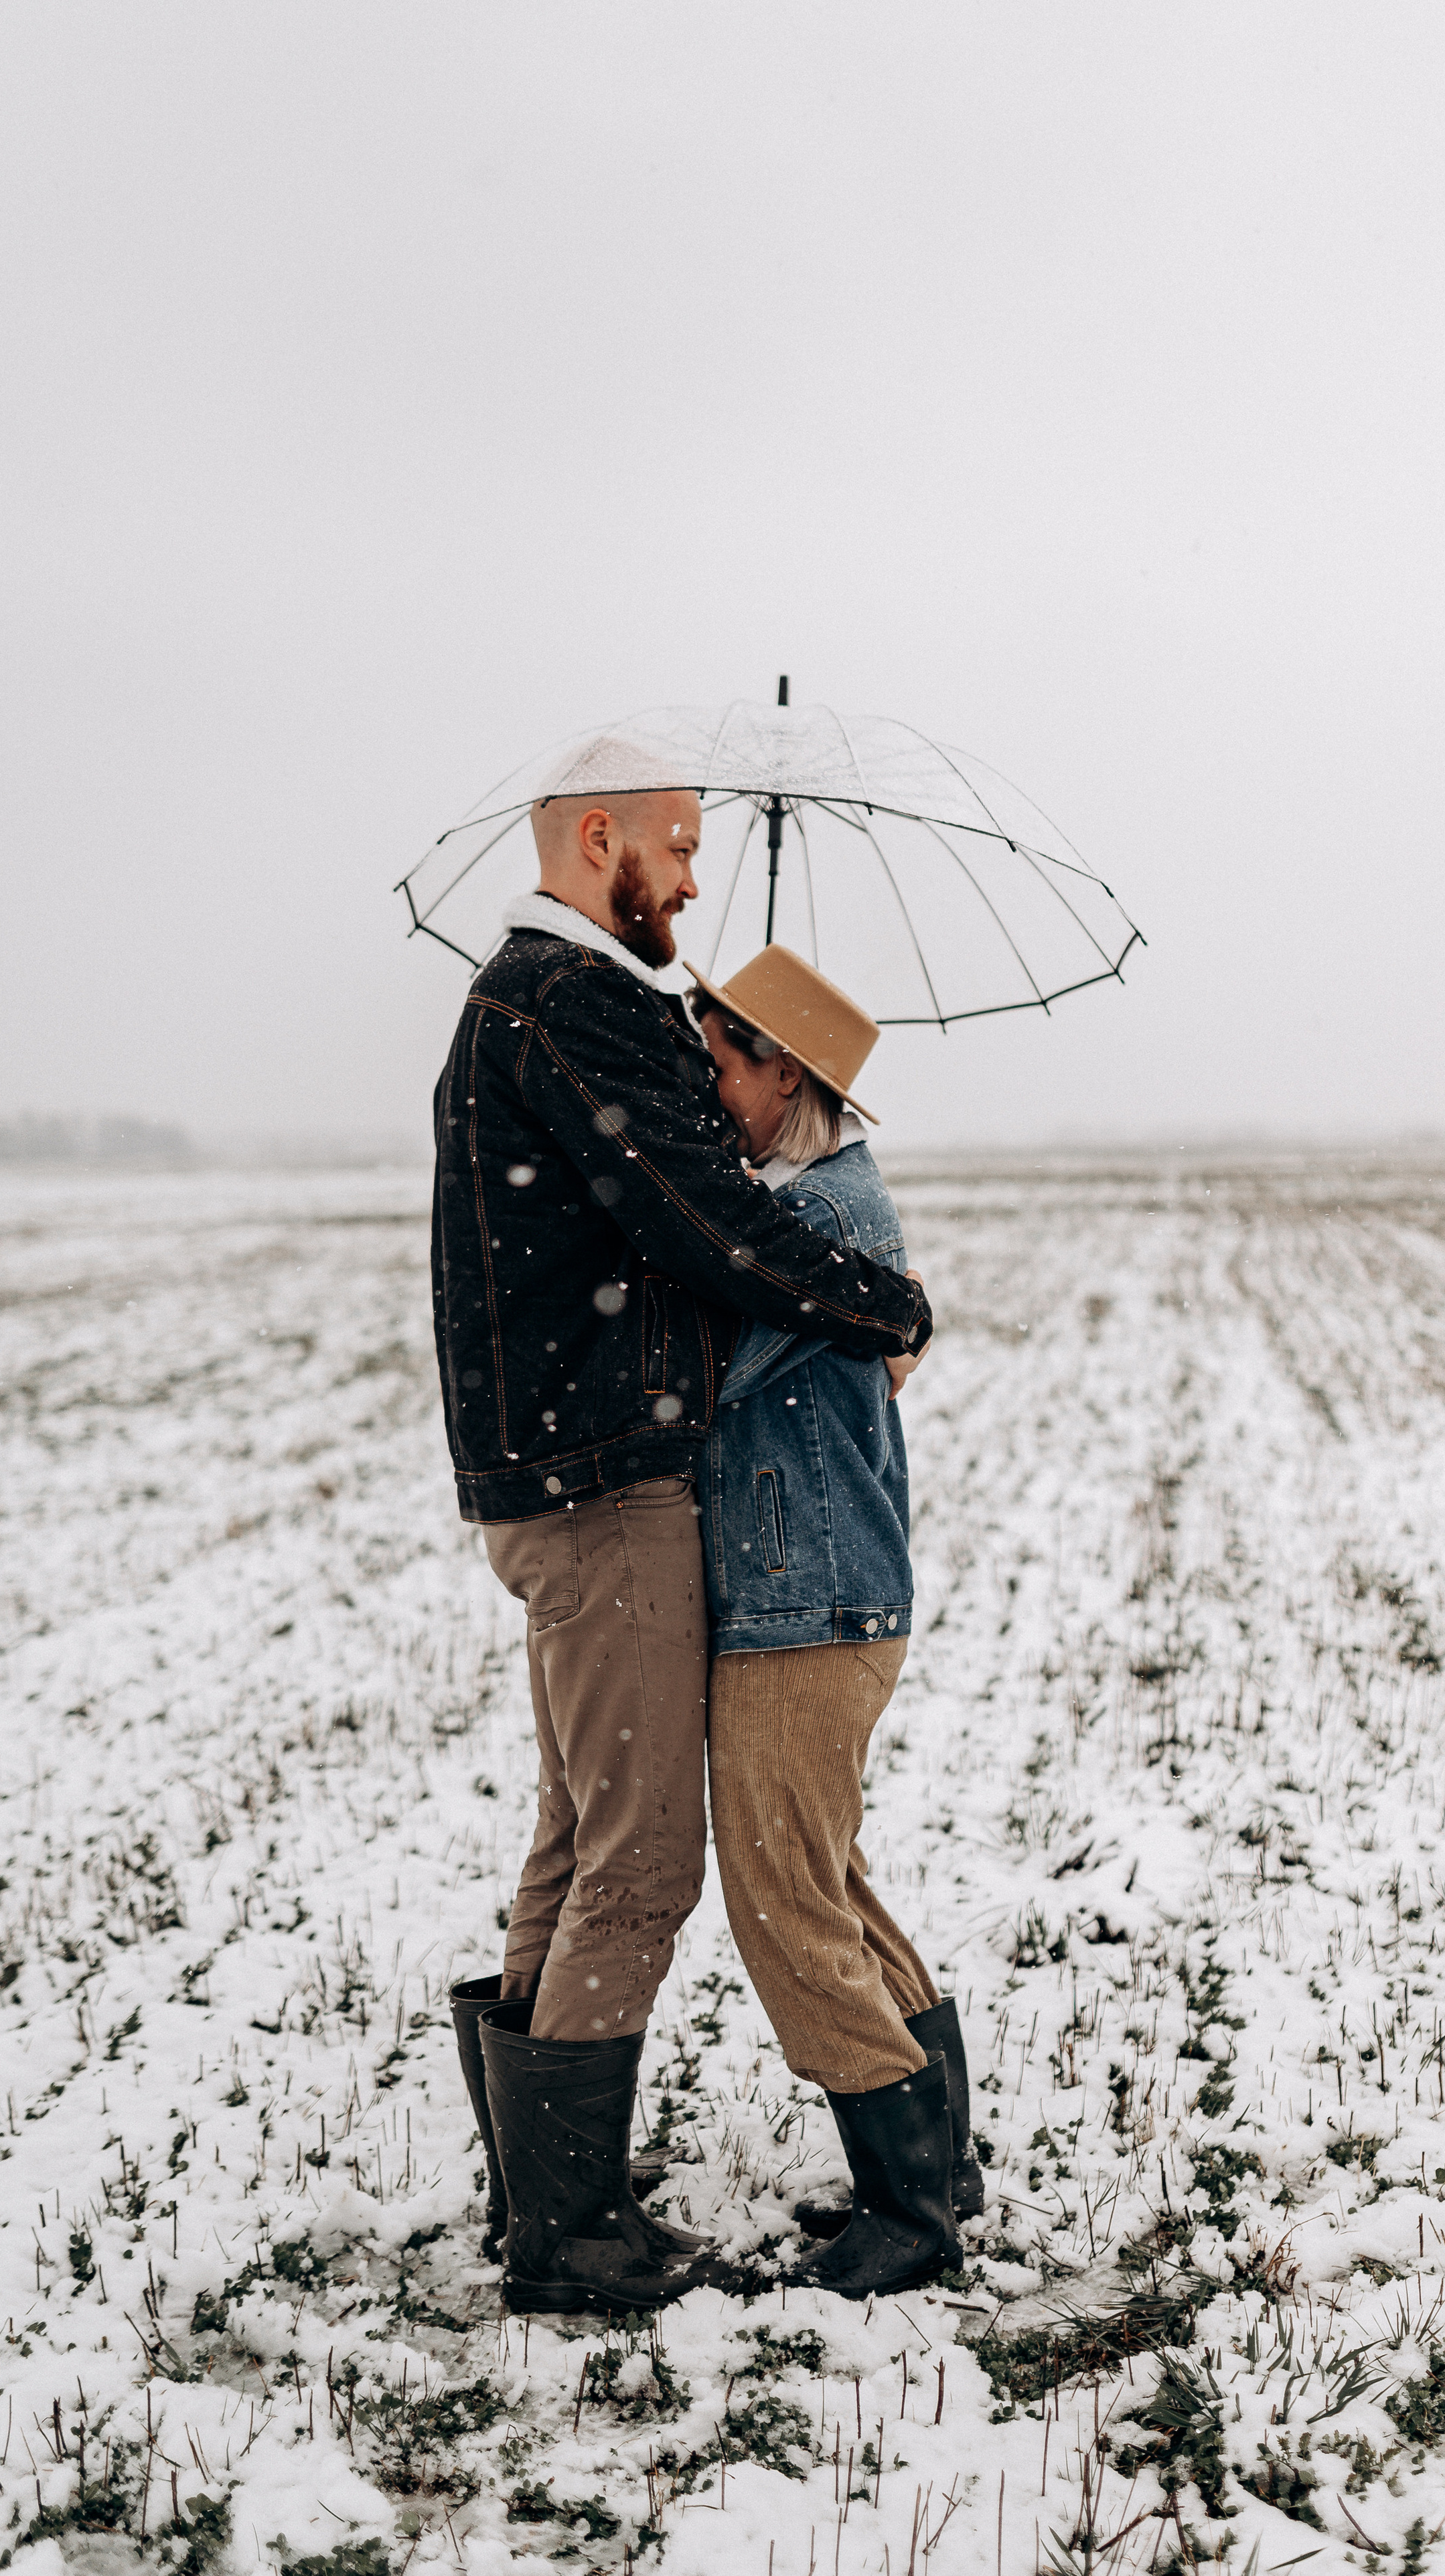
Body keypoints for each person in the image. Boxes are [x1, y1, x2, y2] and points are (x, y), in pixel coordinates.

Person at [432, 745, 933, 2316]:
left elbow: (699, 1229)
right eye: (679, 847)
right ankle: (567, 2226)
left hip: (604, 1496)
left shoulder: (535, 1006)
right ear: (603, 840)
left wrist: (852, 1290)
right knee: (637, 1853)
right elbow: (702, 1224)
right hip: (600, 1491)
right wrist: (885, 1306)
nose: (697, 879)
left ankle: (556, 2201)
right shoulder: (568, 1003)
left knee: (605, 1839)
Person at [687, 943, 984, 2298]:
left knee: (782, 1895)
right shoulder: (822, 1201)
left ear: (785, 1072)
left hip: (803, 1600)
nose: (707, 1087)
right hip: (823, 1592)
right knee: (826, 1877)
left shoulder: (818, 1217)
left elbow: (703, 1370)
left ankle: (908, 2214)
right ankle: (936, 2161)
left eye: (721, 1060)